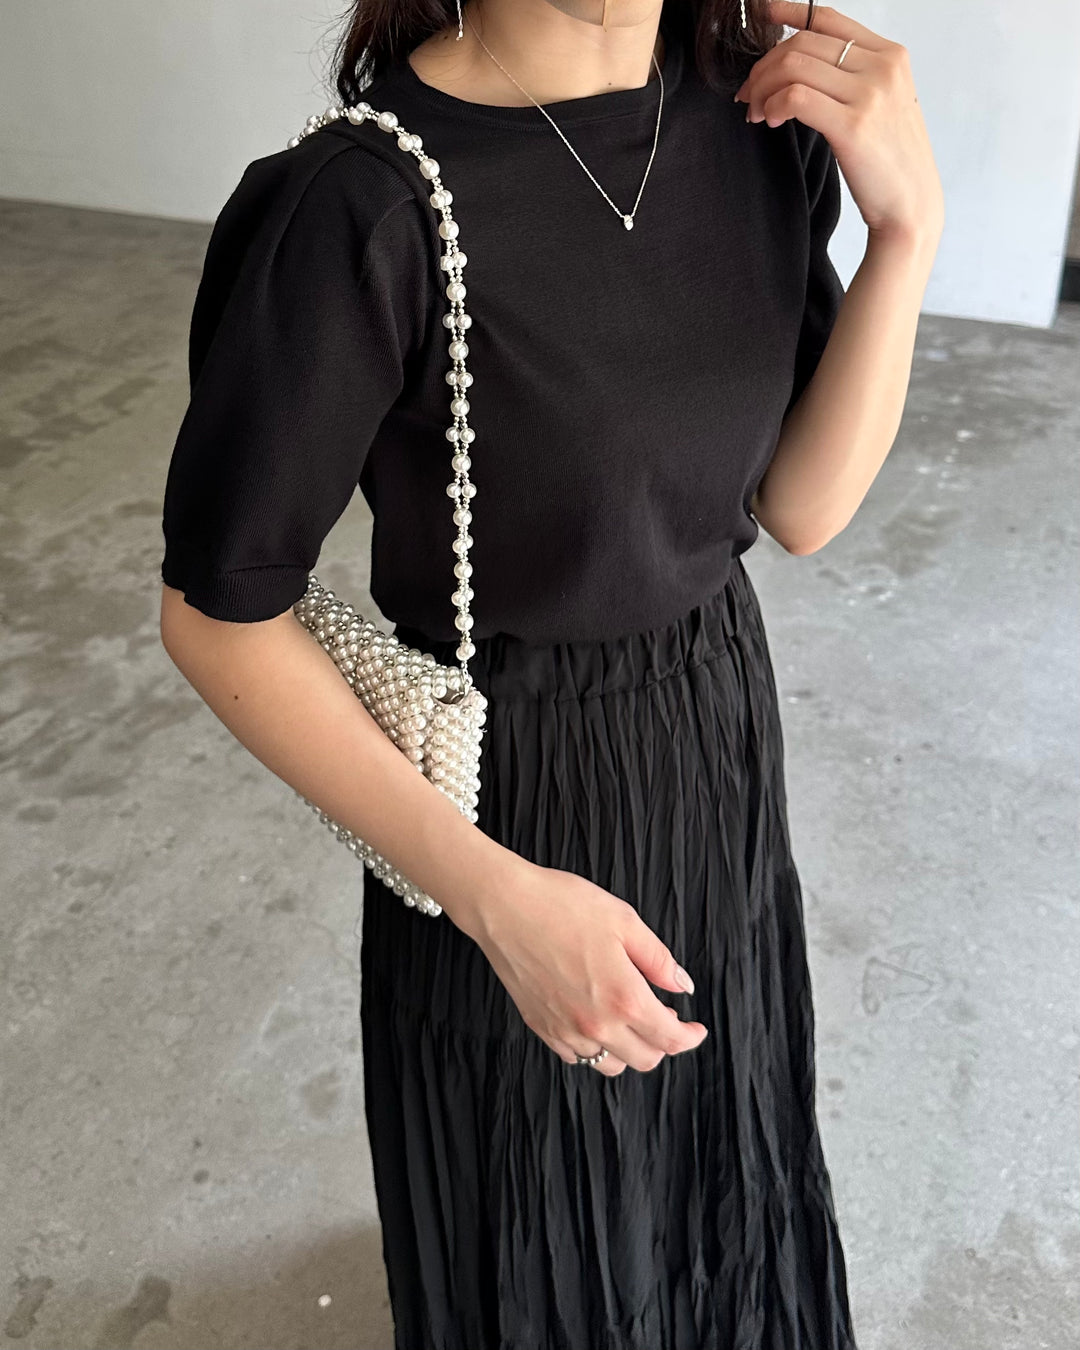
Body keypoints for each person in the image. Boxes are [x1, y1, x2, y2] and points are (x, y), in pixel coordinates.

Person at [159, 0, 944, 1345]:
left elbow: (800, 507)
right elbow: (217, 612)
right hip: (506, 809)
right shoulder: (366, 204)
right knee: (540, 1238)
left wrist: (906, 236)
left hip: (716, 743)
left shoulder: (755, 123)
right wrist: (492, 896)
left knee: (724, 1184)